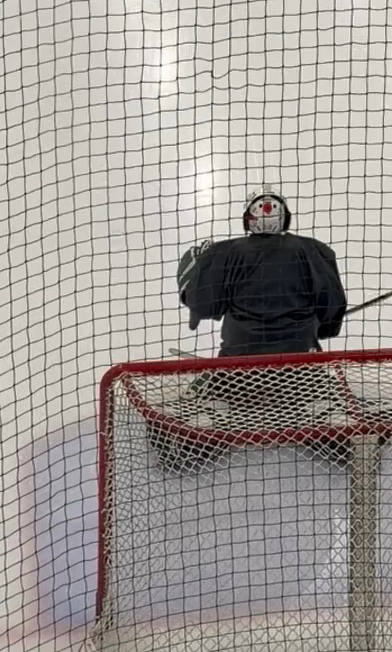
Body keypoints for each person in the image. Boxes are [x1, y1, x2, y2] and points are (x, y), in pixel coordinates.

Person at [150, 189, 354, 471]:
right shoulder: (315, 250)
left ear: (248, 219)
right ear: (286, 218)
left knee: (209, 387)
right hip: (300, 369)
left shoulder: (224, 253)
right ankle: (328, 417)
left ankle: (205, 422)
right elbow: (332, 308)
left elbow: (205, 304)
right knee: (322, 386)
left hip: (237, 370)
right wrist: (318, 326)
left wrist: (194, 282)